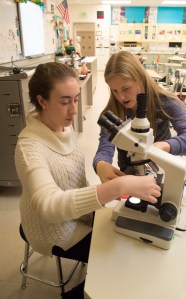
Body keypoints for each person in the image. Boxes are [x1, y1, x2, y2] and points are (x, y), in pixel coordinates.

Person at [14, 62, 161, 299]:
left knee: (127, 238)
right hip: (50, 229)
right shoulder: (29, 148)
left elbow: (71, 183)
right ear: (42, 101)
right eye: (65, 101)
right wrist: (117, 187)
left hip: (78, 215)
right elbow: (50, 207)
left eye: (76, 99)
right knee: (116, 262)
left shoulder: (61, 126)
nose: (74, 109)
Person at [93, 51, 186, 183]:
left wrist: (162, 146)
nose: (121, 97)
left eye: (126, 88)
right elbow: (105, 146)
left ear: (141, 79)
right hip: (130, 172)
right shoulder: (113, 110)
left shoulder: (165, 102)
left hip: (162, 169)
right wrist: (101, 164)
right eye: (115, 90)